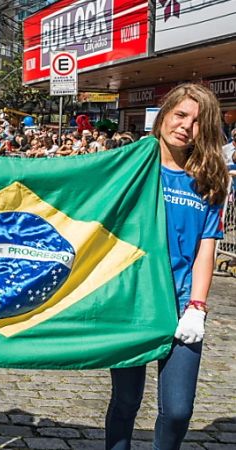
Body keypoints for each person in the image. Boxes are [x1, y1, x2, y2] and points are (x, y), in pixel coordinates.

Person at [105, 83, 229, 450]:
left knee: (177, 410)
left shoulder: (209, 178)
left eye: (196, 121)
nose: (185, 127)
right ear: (164, 116)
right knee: (126, 401)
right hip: (134, 302)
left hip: (181, 304)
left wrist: (197, 306)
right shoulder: (130, 165)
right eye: (180, 115)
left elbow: (206, 248)